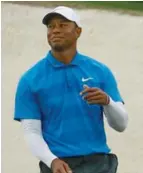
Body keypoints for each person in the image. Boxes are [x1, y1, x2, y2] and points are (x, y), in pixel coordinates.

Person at [14, 6, 128, 173]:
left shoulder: (100, 71)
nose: (55, 30)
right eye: (51, 26)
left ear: (78, 31)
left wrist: (107, 102)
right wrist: (51, 160)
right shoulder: (30, 79)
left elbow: (121, 125)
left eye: (63, 25)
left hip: (99, 164)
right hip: (58, 166)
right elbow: (31, 131)